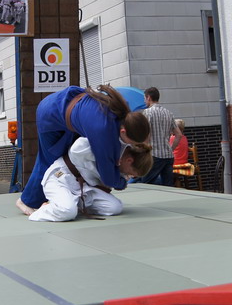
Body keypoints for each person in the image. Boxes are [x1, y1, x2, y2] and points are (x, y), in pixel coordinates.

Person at [18, 85, 151, 214]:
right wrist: (122, 183)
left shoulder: (124, 115)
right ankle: (26, 201)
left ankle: (65, 196)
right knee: (49, 159)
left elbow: (113, 146)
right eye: (130, 143)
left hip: (68, 102)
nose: (129, 146)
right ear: (123, 131)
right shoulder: (102, 129)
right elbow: (108, 177)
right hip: (50, 113)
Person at [29, 138, 153, 222]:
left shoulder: (120, 165)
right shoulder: (108, 144)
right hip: (60, 178)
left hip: (84, 187)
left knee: (115, 207)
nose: (128, 176)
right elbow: (76, 149)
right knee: (68, 211)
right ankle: (43, 210)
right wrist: (105, 158)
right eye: (130, 174)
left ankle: (67, 203)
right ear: (129, 161)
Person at [138, 87, 181, 186]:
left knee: (146, 184)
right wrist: (171, 149)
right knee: (168, 186)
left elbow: (147, 135)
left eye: (144, 98)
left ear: (148, 97)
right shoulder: (168, 113)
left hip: (154, 155)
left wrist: (143, 152)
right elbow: (178, 135)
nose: (144, 101)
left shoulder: (147, 113)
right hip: (168, 155)